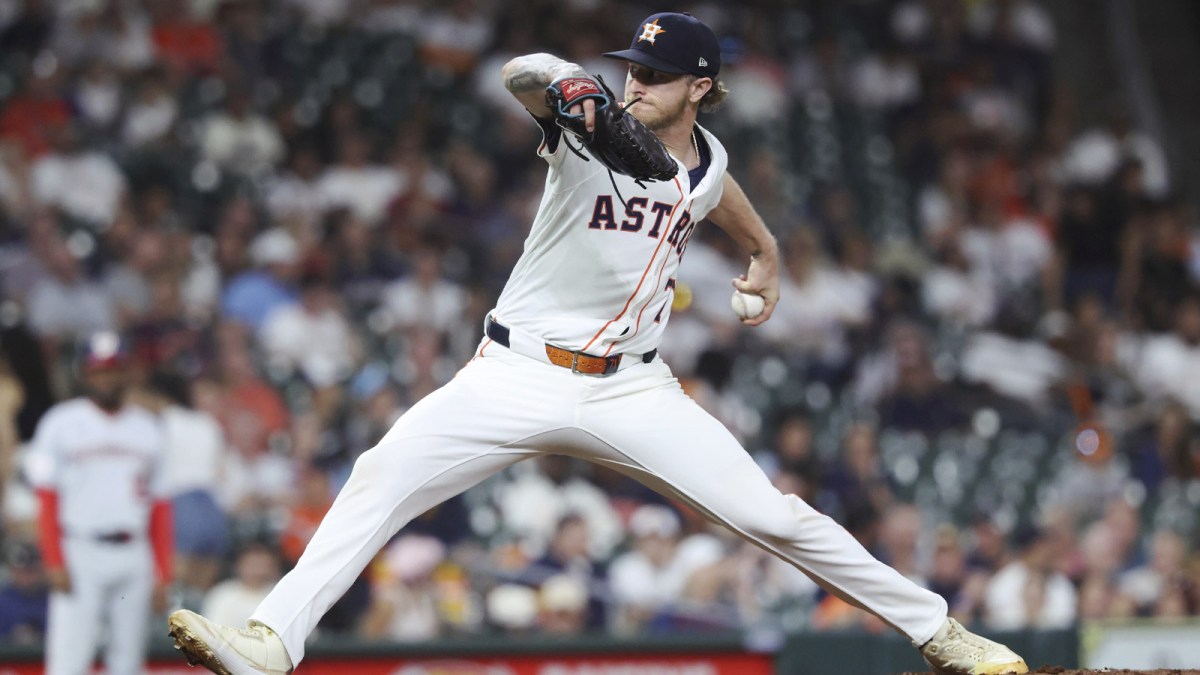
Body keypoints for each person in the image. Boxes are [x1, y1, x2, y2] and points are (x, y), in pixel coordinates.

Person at [167, 12, 1026, 675]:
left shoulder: (709, 156)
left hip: (633, 391)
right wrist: (569, 84)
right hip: (515, 370)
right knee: (379, 474)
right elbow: (524, 77)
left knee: (773, 515)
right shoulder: (586, 131)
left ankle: (942, 634)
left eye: (654, 73)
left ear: (700, 86)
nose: (636, 80)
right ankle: (273, 640)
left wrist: (766, 249)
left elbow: (711, 190)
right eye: (630, 67)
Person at [26, 331, 173, 675]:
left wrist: (163, 571)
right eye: (99, 370)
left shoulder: (149, 427)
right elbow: (46, 498)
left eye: (114, 369)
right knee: (69, 659)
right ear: (85, 374)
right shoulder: (60, 422)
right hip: (80, 548)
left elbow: (161, 506)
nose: (107, 378)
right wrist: (54, 559)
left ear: (127, 372)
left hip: (135, 552)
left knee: (128, 660)